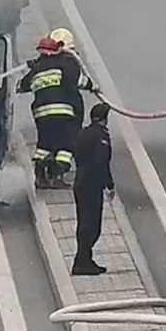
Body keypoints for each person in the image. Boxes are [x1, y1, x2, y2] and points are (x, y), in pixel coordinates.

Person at [18, 34, 97, 188]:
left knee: (44, 144)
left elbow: (21, 86)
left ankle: (40, 176)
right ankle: (57, 176)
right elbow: (78, 80)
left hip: (41, 114)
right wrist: (92, 86)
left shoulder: (36, 69)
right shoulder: (64, 64)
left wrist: (33, 67)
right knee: (68, 144)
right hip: (62, 111)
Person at [72, 102, 115, 275]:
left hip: (80, 181)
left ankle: (84, 259)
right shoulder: (101, 136)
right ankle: (82, 261)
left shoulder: (83, 132)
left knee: (83, 221)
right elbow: (101, 161)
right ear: (105, 119)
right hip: (92, 184)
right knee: (92, 225)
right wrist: (109, 184)